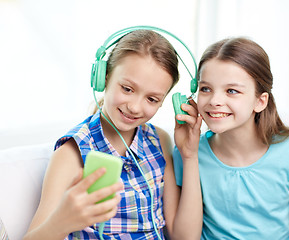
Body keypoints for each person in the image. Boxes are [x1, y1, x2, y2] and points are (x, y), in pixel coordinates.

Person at [23, 28, 202, 240]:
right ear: (104, 78)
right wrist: (63, 219)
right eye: (127, 88)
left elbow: (184, 237)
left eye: (152, 99)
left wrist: (189, 155)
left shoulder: (159, 140)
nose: (135, 107)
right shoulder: (72, 153)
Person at [173, 37, 289, 239]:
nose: (215, 101)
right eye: (205, 89)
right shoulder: (188, 153)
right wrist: (190, 157)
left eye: (232, 91)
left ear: (260, 101)